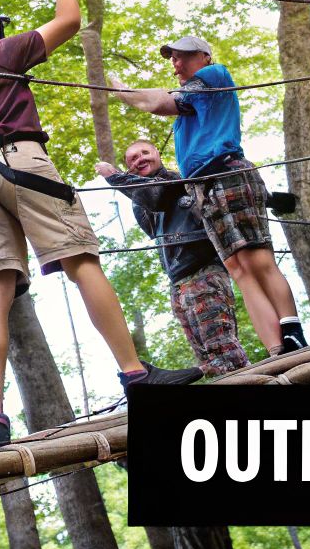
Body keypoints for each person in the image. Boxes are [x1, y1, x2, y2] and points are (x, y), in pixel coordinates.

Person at [0, 0, 201, 456]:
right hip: (20, 162)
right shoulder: (0, 51)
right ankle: (135, 374)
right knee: (80, 260)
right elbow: (67, 21)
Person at [110, 35, 308, 355]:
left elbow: (157, 103)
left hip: (225, 171)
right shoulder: (186, 117)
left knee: (258, 261)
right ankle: (277, 350)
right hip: (203, 188)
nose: (176, 63)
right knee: (239, 270)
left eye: (183, 56)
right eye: (172, 58)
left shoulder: (214, 76)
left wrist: (122, 91)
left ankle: (292, 330)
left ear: (204, 56)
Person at [97, 140, 250, 376]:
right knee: (208, 359)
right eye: (133, 160)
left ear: (157, 153)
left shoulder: (175, 180)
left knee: (224, 351)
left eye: (144, 153)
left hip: (204, 272)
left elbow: (157, 195)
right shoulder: (143, 200)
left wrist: (116, 177)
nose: (140, 160)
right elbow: (150, 219)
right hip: (178, 282)